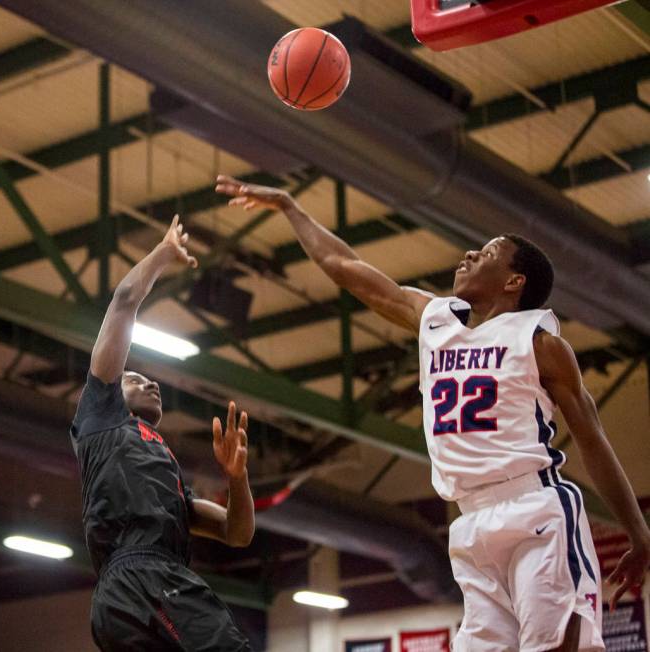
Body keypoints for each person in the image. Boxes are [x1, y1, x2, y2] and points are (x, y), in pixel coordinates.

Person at [216, 175, 650, 652]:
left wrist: (637, 530)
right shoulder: (436, 321)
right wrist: (290, 207)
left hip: (535, 511)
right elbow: (344, 265)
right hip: (470, 523)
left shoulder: (541, 344)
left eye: (485, 253)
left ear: (514, 281)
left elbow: (592, 440)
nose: (467, 255)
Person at [70, 215, 254, 651]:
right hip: (147, 579)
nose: (151, 383)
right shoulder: (101, 414)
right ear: (114, 388)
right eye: (135, 378)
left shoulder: (163, 466)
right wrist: (163, 254)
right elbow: (124, 301)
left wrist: (237, 476)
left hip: (120, 600)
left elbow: (236, 532)